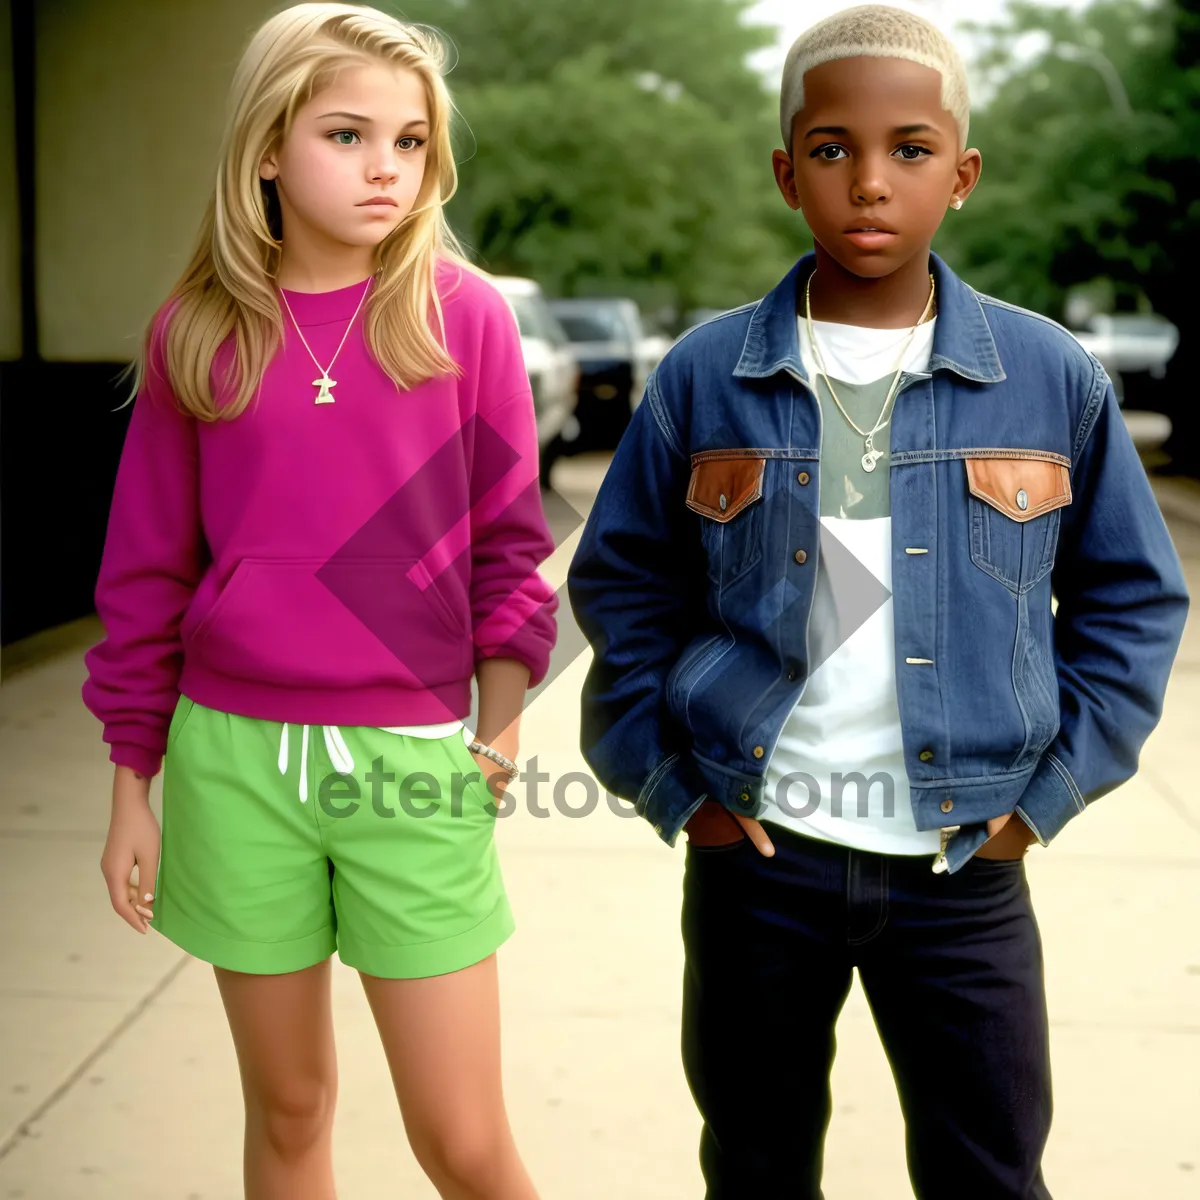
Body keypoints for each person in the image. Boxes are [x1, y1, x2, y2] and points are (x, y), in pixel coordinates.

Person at [567, 6, 1189, 1197]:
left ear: (961, 176)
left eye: (909, 150)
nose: (868, 182)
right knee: (754, 1163)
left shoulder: (1049, 376)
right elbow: (624, 587)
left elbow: (1131, 605)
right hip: (761, 856)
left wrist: (1043, 799)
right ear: (786, 168)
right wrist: (673, 784)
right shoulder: (708, 375)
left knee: (990, 1172)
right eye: (832, 148)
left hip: (962, 869)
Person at [81, 5, 555, 1197]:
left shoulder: (465, 320)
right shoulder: (196, 336)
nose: (386, 166)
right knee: (290, 1112)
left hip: (413, 765)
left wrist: (494, 738)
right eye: (348, 134)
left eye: (409, 140)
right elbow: (145, 582)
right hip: (233, 767)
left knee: (462, 1137)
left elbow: (511, 553)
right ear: (267, 149)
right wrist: (135, 784)